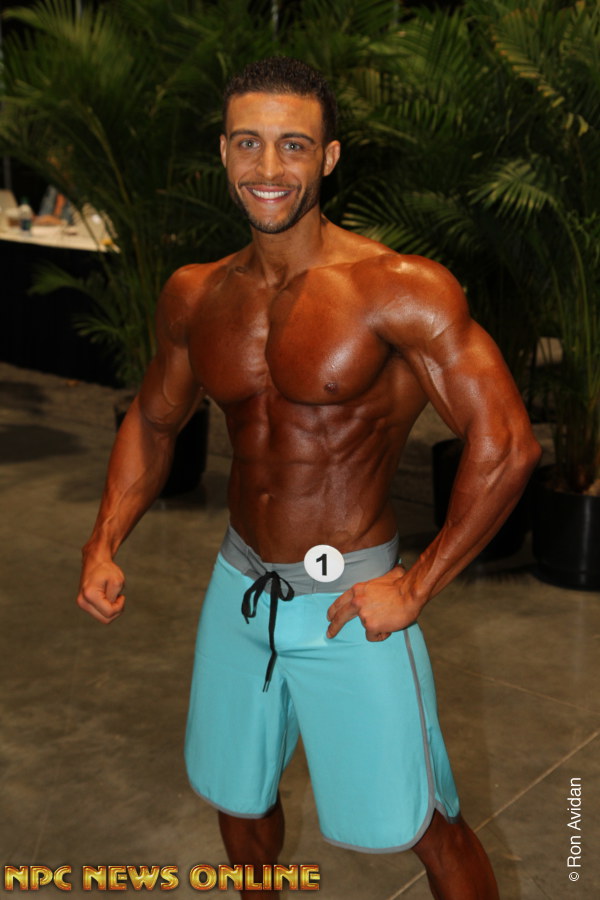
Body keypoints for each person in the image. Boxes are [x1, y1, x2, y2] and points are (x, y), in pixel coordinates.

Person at [77, 57, 541, 899]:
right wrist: (103, 541)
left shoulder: (397, 289)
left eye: (293, 145)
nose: (268, 167)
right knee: (238, 797)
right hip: (240, 584)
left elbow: (506, 443)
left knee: (424, 822)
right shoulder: (196, 294)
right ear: (223, 151)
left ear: (327, 158)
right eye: (248, 143)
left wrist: (417, 585)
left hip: (351, 600)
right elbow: (152, 419)